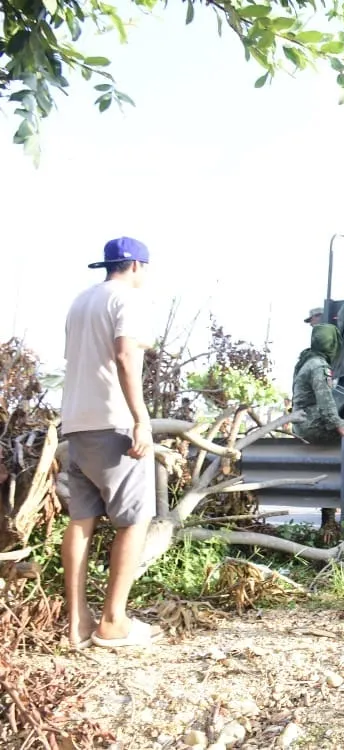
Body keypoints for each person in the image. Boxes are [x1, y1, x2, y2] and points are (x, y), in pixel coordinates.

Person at [60, 237, 162, 649]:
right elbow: (124, 355)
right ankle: (113, 621)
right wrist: (141, 419)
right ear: (137, 266)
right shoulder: (128, 300)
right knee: (134, 520)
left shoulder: (81, 302)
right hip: (114, 423)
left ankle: (77, 623)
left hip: (76, 424)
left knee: (81, 519)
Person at [291, 323, 344, 539]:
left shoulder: (306, 360)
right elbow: (326, 402)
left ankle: (329, 517)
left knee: (335, 460)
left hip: (302, 422)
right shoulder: (319, 366)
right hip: (312, 423)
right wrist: (339, 427)